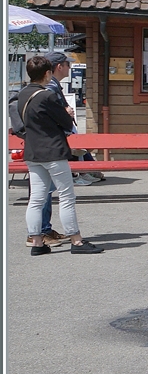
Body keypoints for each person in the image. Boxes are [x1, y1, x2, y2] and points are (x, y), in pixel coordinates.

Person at [16, 55, 103, 255]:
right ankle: (76, 241)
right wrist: (69, 114)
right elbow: (65, 122)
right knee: (66, 196)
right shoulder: (47, 95)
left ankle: (37, 242)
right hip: (53, 151)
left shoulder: (23, 94)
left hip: (32, 152)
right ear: (47, 73)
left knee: (36, 198)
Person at [45, 51, 103, 186]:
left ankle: (81, 172)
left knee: (78, 144)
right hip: (55, 137)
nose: (70, 68)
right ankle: (79, 173)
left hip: (56, 137)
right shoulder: (51, 86)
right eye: (67, 64)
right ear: (59, 67)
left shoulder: (53, 84)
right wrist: (66, 112)